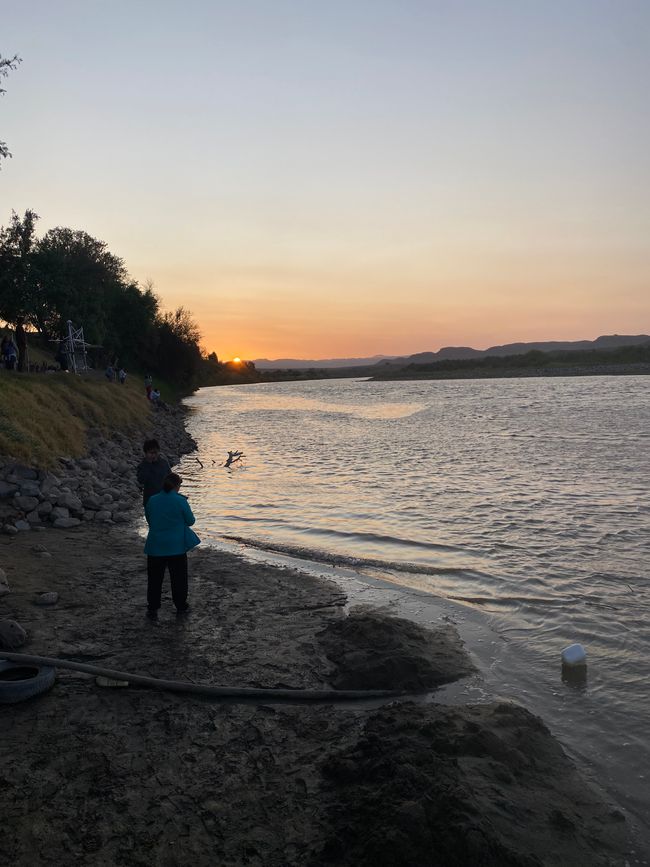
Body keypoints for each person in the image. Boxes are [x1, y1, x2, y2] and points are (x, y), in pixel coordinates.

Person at [143, 472, 200, 618]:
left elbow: (149, 519)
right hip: (176, 546)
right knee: (179, 578)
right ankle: (181, 605)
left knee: (155, 579)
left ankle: (153, 607)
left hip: (155, 546)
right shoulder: (180, 501)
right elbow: (190, 521)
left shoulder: (152, 500)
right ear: (177, 486)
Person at [136, 439, 171, 506]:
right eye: (151, 453)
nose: (154, 455)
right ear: (146, 453)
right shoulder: (143, 466)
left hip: (164, 499)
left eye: (156, 452)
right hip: (150, 501)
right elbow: (141, 480)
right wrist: (148, 464)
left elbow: (170, 478)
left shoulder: (164, 463)